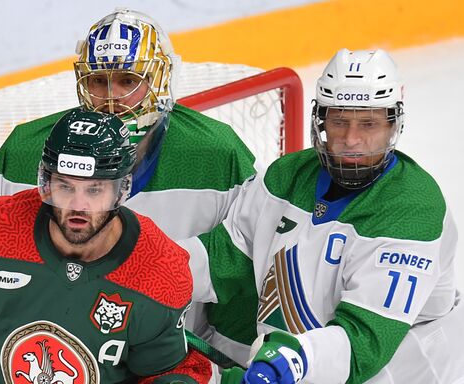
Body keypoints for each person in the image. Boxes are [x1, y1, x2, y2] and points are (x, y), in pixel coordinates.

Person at [0, 8, 257, 365]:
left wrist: (226, 355)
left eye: (128, 81)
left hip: (159, 361)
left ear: (160, 83)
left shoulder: (216, 154)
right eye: (99, 81)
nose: (111, 100)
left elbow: (244, 260)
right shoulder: (26, 150)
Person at [182, 48, 463, 383]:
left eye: (368, 124)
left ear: (392, 125)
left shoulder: (413, 209)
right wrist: (155, 269)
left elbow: (364, 342)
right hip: (302, 367)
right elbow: (226, 256)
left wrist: (295, 360)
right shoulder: (287, 177)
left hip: (405, 373)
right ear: (322, 120)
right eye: (339, 121)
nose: (351, 140)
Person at [0, 109, 214, 384]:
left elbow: (164, 371)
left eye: (94, 189)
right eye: (65, 186)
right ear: (46, 183)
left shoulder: (159, 270)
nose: (78, 206)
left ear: (121, 189)